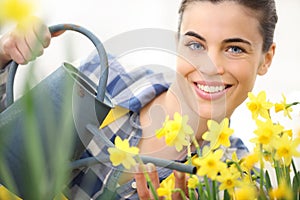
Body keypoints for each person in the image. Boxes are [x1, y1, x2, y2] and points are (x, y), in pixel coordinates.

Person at [0, 0, 278, 199]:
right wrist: (4, 56)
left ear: (266, 59)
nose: (210, 66)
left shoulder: (242, 182)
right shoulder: (100, 80)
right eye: (196, 44)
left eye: (234, 48)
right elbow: (8, 149)